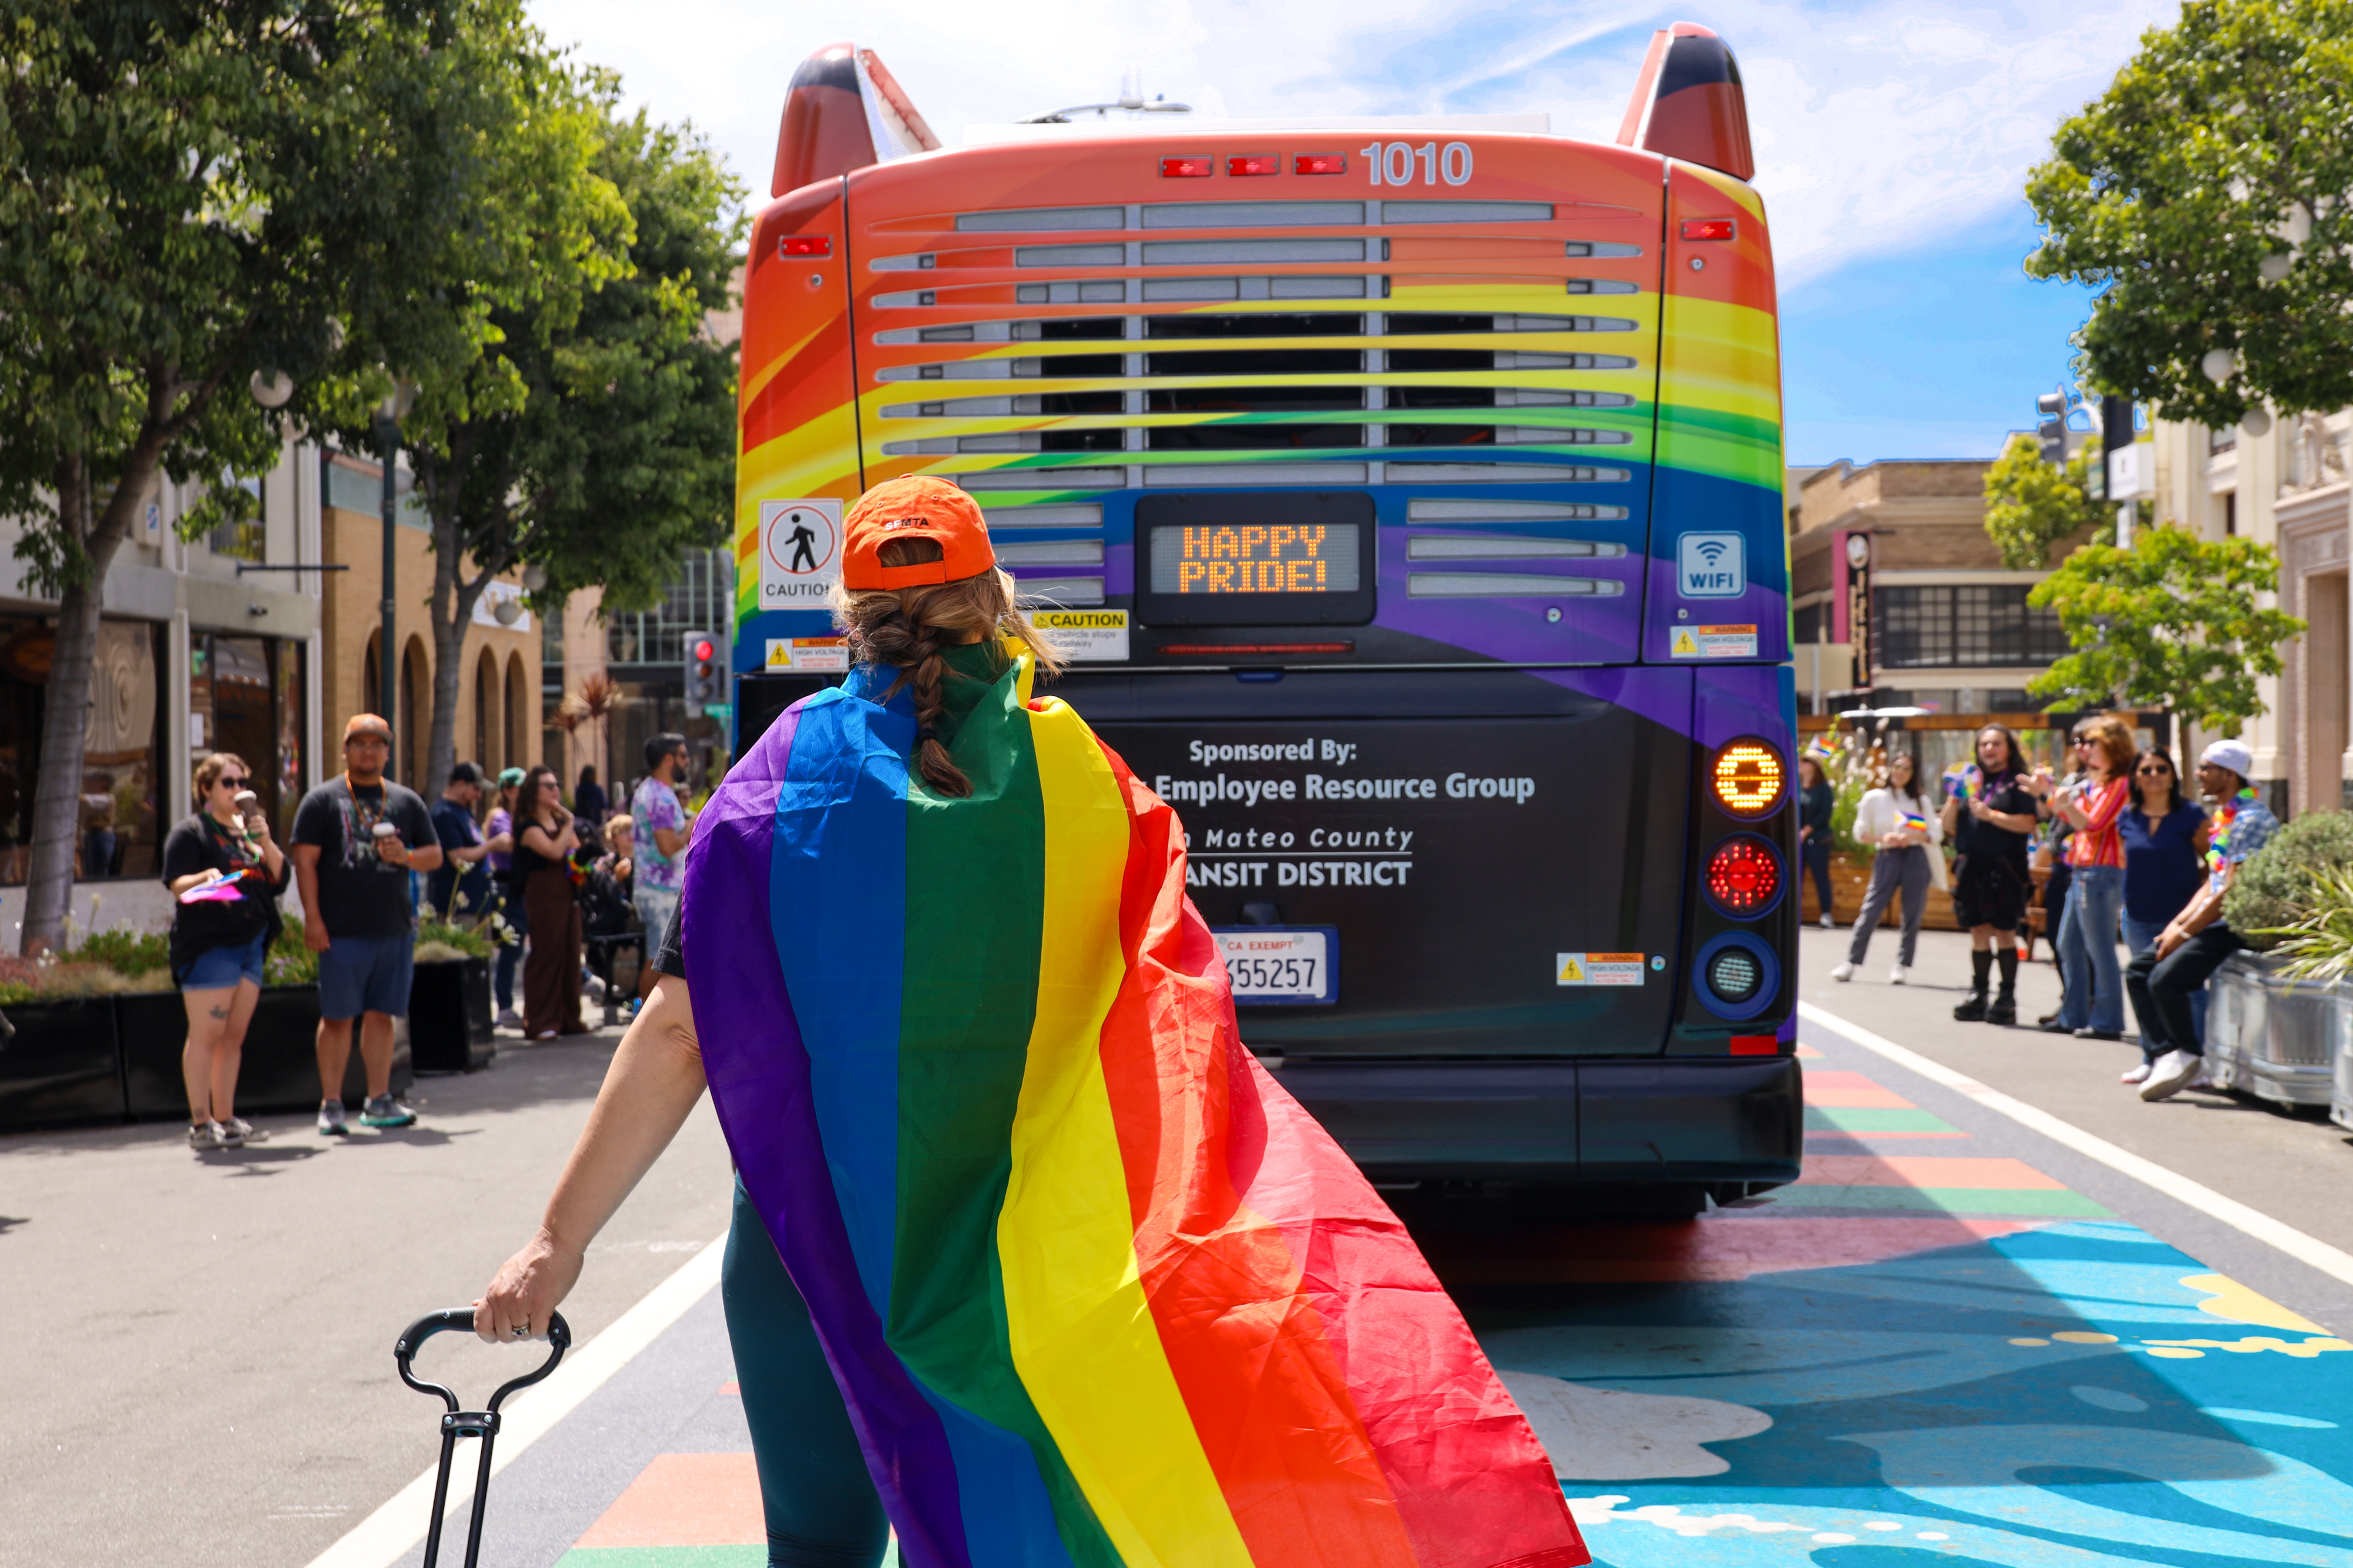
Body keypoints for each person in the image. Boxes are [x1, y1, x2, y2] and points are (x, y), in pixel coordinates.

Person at [470, 475, 1586, 1568]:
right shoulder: (1086, 783)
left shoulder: (775, 785)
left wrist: (554, 1244)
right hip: (1034, 1267)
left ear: (849, 618)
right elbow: (1177, 1036)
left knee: (815, 1545)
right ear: (995, 602)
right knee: (1023, 1532)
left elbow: (678, 1034)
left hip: (810, 1254)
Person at [290, 714, 441, 1134]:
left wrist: (405, 857)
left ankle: (378, 1100)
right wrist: (313, 920)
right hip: (340, 930)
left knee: (381, 1016)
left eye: (377, 744)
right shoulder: (321, 800)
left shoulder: (406, 801)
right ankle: (332, 1104)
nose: (369, 751)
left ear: (388, 752)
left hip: (393, 928)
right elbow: (305, 862)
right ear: (345, 750)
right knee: (337, 1018)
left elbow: (435, 855)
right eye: (360, 743)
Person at [2130, 740, 2278, 1102]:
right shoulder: (2224, 817)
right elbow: (2212, 881)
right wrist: (2175, 925)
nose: (2198, 775)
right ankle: (2165, 1054)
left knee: (2165, 980)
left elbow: (2230, 893)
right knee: (2138, 971)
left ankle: (2188, 1055)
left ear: (2229, 775)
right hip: (2212, 918)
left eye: (2206, 768)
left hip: (2235, 925)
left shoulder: (2252, 820)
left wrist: (2184, 933)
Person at [162, 753, 289, 1149]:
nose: (237, 790)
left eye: (241, 782)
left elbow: (281, 878)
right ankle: (201, 1124)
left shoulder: (247, 832)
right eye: (227, 783)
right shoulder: (192, 833)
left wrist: (264, 839)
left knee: (233, 1036)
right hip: (211, 944)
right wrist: (205, 876)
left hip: (251, 941)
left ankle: (226, 1117)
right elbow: (177, 885)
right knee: (207, 1034)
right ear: (206, 789)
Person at [2029, 713, 2135, 1039]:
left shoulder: (2120, 784)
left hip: (2103, 873)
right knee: (2068, 945)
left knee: (2099, 950)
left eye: (2093, 743)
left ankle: (2107, 1021)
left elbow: (2092, 823)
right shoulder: (2099, 781)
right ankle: (2073, 1015)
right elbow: (2070, 816)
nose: (2086, 749)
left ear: (2112, 747)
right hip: (2084, 871)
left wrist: (2061, 800)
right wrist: (2051, 794)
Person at [2117, 744, 2211, 1076]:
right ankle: (2154, 1059)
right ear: (2136, 779)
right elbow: (2127, 862)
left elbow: (2215, 864)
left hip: (2181, 919)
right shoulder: (2128, 816)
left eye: (2161, 769)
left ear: (2172, 776)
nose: (2154, 775)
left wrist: (2194, 898)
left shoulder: (2191, 816)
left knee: (2189, 990)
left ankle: (2195, 1064)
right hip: (2138, 916)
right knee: (2144, 985)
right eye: (2146, 770)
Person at [1942, 724, 2039, 1025]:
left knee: (2005, 932)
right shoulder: (1971, 780)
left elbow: (2028, 824)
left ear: (2008, 748)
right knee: (1979, 931)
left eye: (1996, 744)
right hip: (1972, 866)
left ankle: (2006, 998)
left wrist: (1992, 816)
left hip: (2005, 868)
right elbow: (1947, 826)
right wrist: (1953, 799)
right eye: (1984, 744)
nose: (1989, 749)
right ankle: (1979, 994)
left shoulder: (2017, 782)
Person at [1831, 749, 1941, 984]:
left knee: (1912, 912)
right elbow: (1860, 833)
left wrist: (1914, 837)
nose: (1900, 772)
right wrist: (1884, 839)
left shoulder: (1920, 800)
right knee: (1872, 909)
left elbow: (1936, 832)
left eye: (1907, 769)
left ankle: (1902, 964)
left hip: (1915, 857)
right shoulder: (1875, 797)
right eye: (1897, 766)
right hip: (1888, 856)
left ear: (1914, 773)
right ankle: (1851, 961)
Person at [513, 764, 586, 1039]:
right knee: (547, 952)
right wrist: (568, 823)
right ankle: (541, 1021)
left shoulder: (559, 822)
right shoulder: (527, 826)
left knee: (570, 951)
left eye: (557, 785)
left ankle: (568, 1018)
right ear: (534, 791)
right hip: (542, 892)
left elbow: (575, 849)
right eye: (549, 786)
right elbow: (555, 852)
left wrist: (565, 823)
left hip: (567, 890)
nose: (556, 790)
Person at [629, 733, 692, 999]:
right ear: (668, 759)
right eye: (683, 756)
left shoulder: (654, 791)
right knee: (658, 959)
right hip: (660, 892)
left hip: (658, 890)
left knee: (657, 957)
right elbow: (668, 846)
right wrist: (693, 826)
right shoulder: (661, 797)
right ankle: (642, 1019)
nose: (687, 762)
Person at [428, 762, 495, 921]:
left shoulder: (463, 809)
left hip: (476, 901)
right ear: (462, 785)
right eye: (477, 789)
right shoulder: (445, 814)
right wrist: (492, 845)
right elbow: (458, 858)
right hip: (457, 905)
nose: (479, 796)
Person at [485, 766, 525, 1028]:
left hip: (521, 885)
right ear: (508, 791)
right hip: (505, 887)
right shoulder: (500, 816)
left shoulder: (518, 815)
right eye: (521, 787)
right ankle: (505, 1005)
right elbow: (509, 843)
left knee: (519, 945)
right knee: (511, 948)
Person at [1797, 752, 1835, 929]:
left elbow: (1825, 814)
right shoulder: (1797, 787)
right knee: (1796, 877)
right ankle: (1794, 913)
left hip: (1818, 840)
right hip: (1798, 841)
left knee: (1820, 876)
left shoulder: (1823, 788)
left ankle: (1826, 914)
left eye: (1805, 761)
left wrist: (1807, 830)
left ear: (1814, 766)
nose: (1801, 764)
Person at [573, 765, 608, 829]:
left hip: (581, 818)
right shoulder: (597, 789)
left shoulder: (579, 789)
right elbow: (603, 805)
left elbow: (578, 802)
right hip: (595, 819)